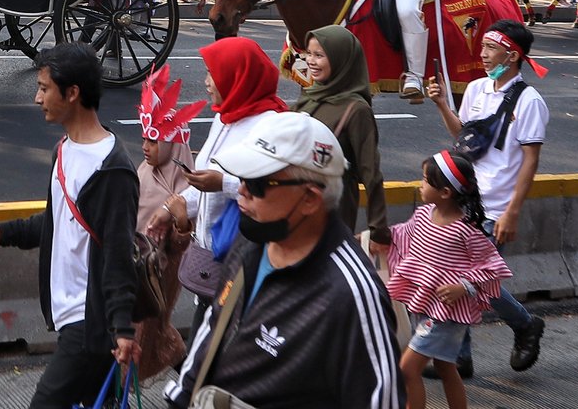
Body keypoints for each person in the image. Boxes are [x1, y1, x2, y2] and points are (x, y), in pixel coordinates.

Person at [163, 111, 405, 408]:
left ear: (310, 198)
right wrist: (182, 396)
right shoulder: (251, 242)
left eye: (257, 183)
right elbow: (213, 329)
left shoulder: (351, 295)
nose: (241, 190)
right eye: (241, 178)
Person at [0, 42, 141, 409]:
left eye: (44, 88)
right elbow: (58, 223)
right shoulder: (64, 149)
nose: (37, 98)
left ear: (72, 93)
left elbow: (118, 252)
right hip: (68, 317)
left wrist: (123, 329)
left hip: (89, 323)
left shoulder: (111, 169)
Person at [425, 19, 548, 378]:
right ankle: (461, 356)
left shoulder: (529, 101)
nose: (483, 54)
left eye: (491, 48)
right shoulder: (477, 88)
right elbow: (463, 139)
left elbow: (530, 161)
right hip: (465, 201)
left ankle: (522, 325)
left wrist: (512, 212)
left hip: (496, 208)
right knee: (461, 278)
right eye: (483, 47)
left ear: (512, 55)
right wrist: (442, 104)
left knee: (475, 282)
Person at [146, 37, 287, 331]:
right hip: (211, 253)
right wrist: (171, 208)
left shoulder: (270, 125)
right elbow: (206, 182)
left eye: (213, 74)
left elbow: (274, 189)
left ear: (237, 78)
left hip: (243, 259)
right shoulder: (225, 118)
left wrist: (223, 183)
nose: (207, 82)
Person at [390, 151, 512, 409]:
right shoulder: (423, 215)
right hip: (427, 306)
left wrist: (464, 286)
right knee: (445, 367)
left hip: (447, 314)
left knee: (407, 369)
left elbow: (492, 266)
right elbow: (400, 234)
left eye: (426, 180)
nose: (420, 184)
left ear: (445, 192)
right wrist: (373, 239)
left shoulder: (465, 231)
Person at [134, 68, 205, 380]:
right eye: (144, 139)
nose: (145, 147)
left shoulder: (185, 189)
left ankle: (188, 379)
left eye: (153, 141)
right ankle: (190, 379)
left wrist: (179, 221)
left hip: (162, 273)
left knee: (149, 330)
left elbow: (181, 242)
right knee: (141, 332)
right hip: (134, 265)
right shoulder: (142, 171)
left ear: (173, 145)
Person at [294, 26, 390, 245]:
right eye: (309, 53)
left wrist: (378, 230)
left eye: (319, 55)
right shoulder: (309, 97)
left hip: (331, 211)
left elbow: (370, 172)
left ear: (341, 60)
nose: (310, 61)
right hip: (295, 206)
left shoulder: (356, 109)